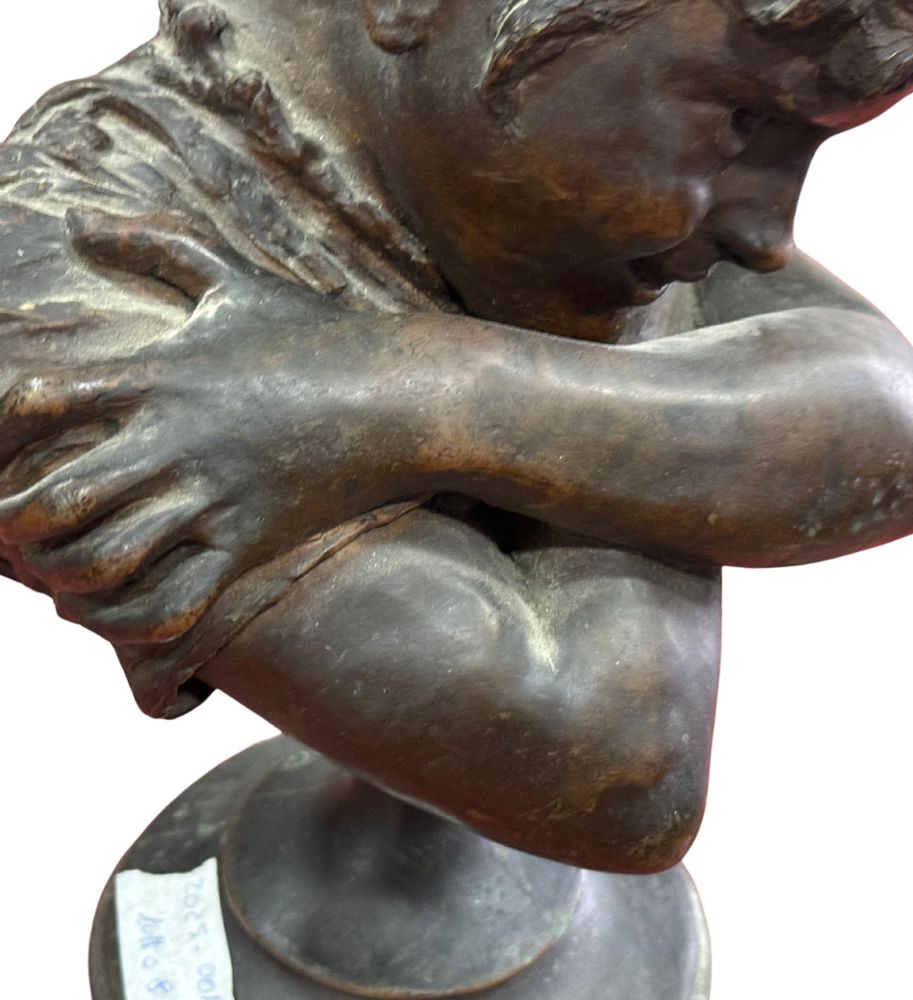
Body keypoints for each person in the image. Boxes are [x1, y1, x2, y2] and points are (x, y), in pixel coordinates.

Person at [0, 0, 912, 872]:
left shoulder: (514, 161)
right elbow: (611, 764)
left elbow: (891, 408)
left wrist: (401, 389)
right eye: (744, 121)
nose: (767, 238)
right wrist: (634, 385)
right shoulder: (61, 275)